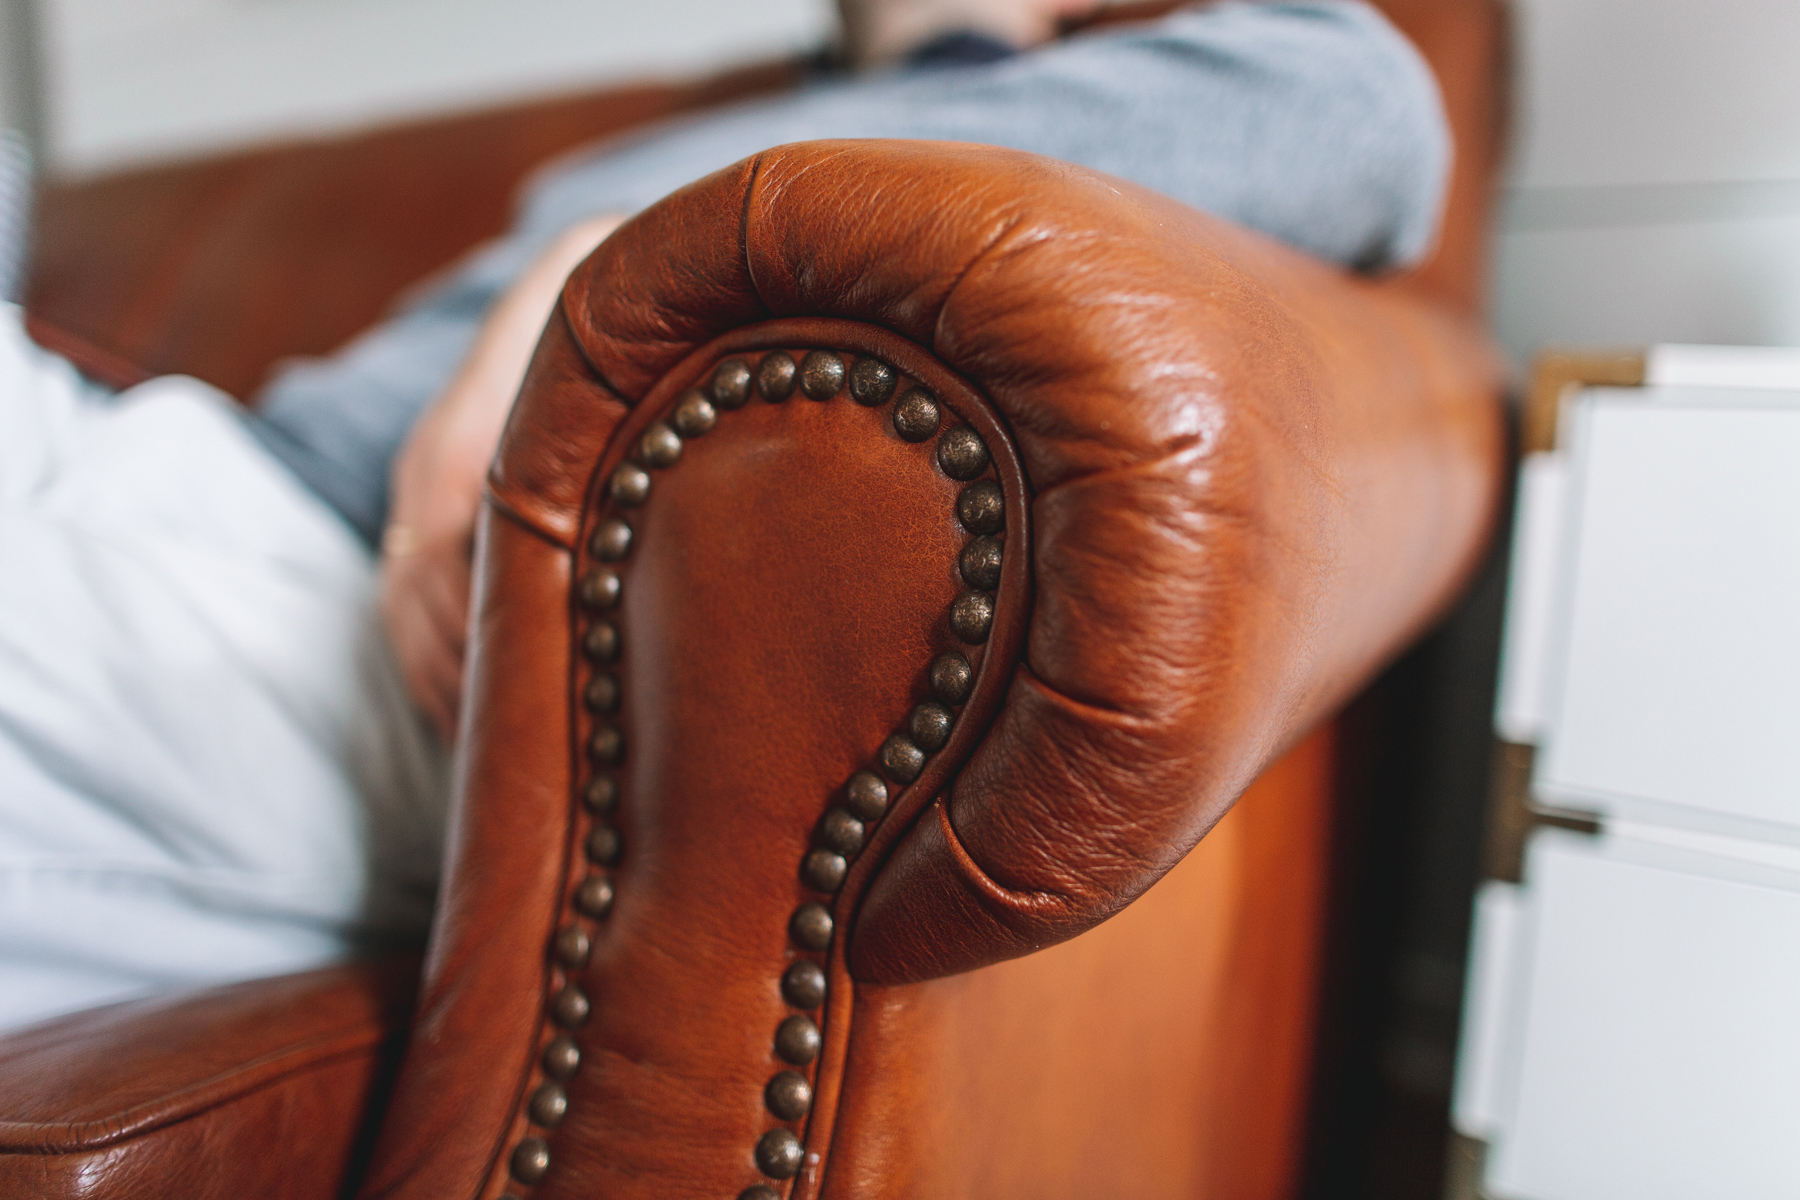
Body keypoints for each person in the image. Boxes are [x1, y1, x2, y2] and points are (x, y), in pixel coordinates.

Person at [0, 0, 1449, 1031]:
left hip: (300, 608)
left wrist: (593, 280)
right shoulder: (741, 115)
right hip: (150, 448)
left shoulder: (1121, 99)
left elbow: (1366, 114)